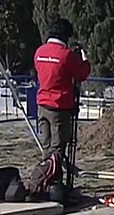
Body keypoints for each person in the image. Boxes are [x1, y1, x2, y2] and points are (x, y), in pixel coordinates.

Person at [33, 18, 91, 160]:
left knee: (47, 147)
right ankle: (55, 179)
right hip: (59, 106)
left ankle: (45, 175)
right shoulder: (65, 54)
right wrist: (85, 60)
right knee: (58, 147)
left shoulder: (39, 52)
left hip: (42, 104)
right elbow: (81, 74)